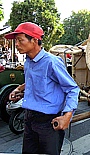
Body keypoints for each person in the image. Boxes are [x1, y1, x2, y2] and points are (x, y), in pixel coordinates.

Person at [6, 22, 80, 155]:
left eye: (20, 40)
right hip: (29, 119)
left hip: (49, 122)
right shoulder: (28, 61)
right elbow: (34, 83)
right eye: (16, 41)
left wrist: (67, 116)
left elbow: (72, 89)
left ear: (34, 40)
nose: (16, 44)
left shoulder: (51, 62)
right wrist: (19, 90)